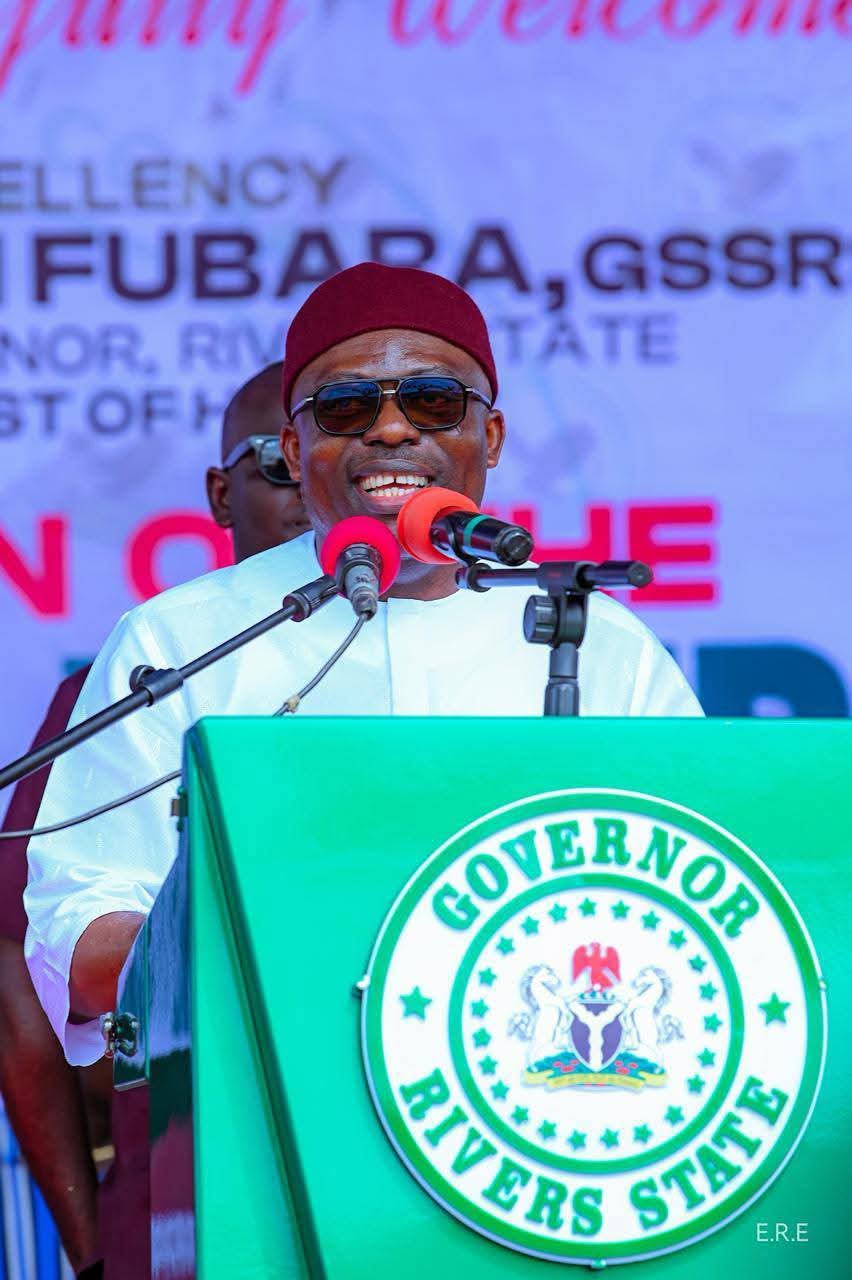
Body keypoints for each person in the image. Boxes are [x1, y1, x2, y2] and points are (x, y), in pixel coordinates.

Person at [24, 263, 701, 1079]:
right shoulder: (179, 638)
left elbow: (691, 899)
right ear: (293, 446)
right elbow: (77, 937)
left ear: (489, 436)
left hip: (544, 1107)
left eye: (433, 401)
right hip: (268, 1092)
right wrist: (270, 933)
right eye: (346, 408)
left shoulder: (597, 642)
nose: (389, 431)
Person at [0, 361, 305, 1277]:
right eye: (277, 462)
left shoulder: (493, 662)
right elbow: (20, 968)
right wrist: (90, 1246)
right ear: (221, 492)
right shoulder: (140, 678)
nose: (312, 482)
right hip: (189, 1175)